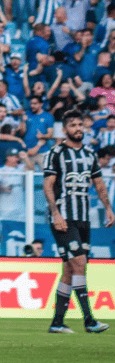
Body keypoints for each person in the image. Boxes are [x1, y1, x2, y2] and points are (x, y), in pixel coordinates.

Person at [43, 109, 115, 334]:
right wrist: (55, 213)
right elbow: (48, 185)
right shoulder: (55, 153)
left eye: (80, 125)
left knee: (69, 268)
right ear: (65, 129)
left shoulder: (90, 154)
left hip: (83, 218)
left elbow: (99, 184)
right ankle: (89, 320)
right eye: (73, 125)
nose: (77, 129)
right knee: (79, 263)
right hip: (63, 217)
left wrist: (108, 208)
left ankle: (57, 323)